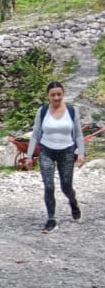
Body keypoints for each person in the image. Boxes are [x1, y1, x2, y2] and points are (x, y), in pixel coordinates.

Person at [27, 81, 85, 233]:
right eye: (53, 95)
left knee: (66, 186)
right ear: (48, 96)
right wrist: (29, 156)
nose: (56, 97)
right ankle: (51, 219)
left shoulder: (72, 111)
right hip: (46, 150)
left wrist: (81, 153)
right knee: (49, 185)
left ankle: (73, 201)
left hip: (67, 151)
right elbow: (35, 134)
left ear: (63, 94)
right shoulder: (42, 111)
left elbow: (78, 134)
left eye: (59, 94)